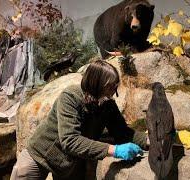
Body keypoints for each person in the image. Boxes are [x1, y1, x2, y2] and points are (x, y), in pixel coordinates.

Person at [10, 60, 149, 180]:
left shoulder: (108, 105)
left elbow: (123, 133)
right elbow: (70, 140)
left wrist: (150, 140)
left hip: (68, 164)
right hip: (40, 156)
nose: (113, 89)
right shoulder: (70, 97)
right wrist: (114, 150)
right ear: (96, 83)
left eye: (115, 85)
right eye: (110, 85)